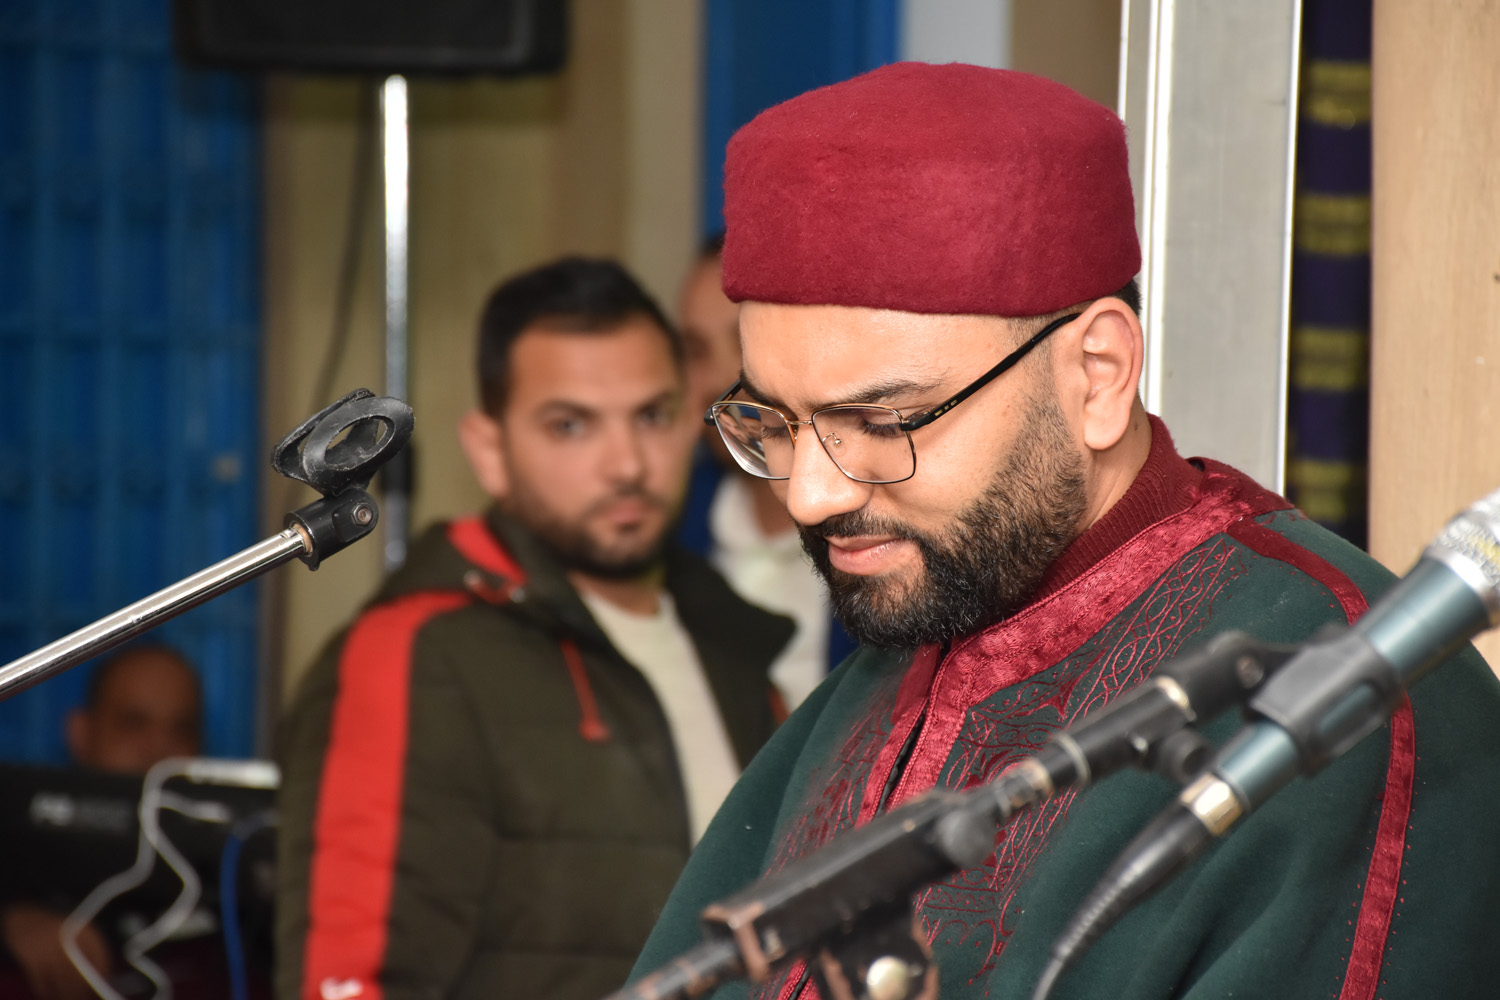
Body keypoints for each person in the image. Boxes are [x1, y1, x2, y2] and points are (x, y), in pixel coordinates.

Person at [628, 64, 1500, 1000]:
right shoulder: (919, 634)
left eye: (881, 423)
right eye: (773, 421)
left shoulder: (1350, 697)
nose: (809, 496)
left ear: (1096, 374)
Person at [275, 257, 793, 1000]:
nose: (626, 465)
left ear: (691, 418)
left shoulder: (732, 646)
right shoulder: (416, 654)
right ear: (490, 452)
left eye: (651, 416)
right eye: (570, 426)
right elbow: (351, 978)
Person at [677, 235, 854, 709]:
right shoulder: (671, 522)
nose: (719, 380)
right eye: (695, 350)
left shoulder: (871, 516)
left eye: (741, 342)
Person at [1, 644, 203, 1000]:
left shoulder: (226, 870)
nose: (160, 747)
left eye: (181, 728)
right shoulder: (16, 843)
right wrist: (10, 923)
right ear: (81, 732)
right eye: (133, 723)